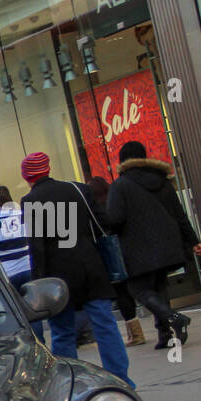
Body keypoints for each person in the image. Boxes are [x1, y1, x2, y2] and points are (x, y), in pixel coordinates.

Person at [19, 151, 134, 387]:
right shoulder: (79, 189)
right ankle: (121, 379)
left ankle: (70, 385)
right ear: (48, 169)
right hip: (91, 265)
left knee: (62, 332)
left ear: (27, 177)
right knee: (105, 325)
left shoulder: (31, 201)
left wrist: (38, 281)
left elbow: (37, 245)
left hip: (57, 273)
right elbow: (104, 222)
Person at [106, 140, 201, 350]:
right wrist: (194, 241)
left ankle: (173, 318)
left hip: (137, 248)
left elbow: (115, 219)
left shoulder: (120, 185)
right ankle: (165, 335)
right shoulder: (162, 180)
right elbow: (179, 214)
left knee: (138, 288)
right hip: (167, 244)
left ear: (122, 161)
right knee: (160, 287)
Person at [0, 185, 42, 339]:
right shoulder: (21, 214)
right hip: (28, 267)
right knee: (33, 309)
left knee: (15, 313)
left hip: (7, 272)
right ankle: (40, 341)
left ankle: (26, 343)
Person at [88, 176, 144, 346]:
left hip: (111, 255)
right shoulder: (115, 203)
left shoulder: (95, 210)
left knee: (121, 294)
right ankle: (146, 329)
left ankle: (135, 333)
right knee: (135, 290)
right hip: (129, 251)